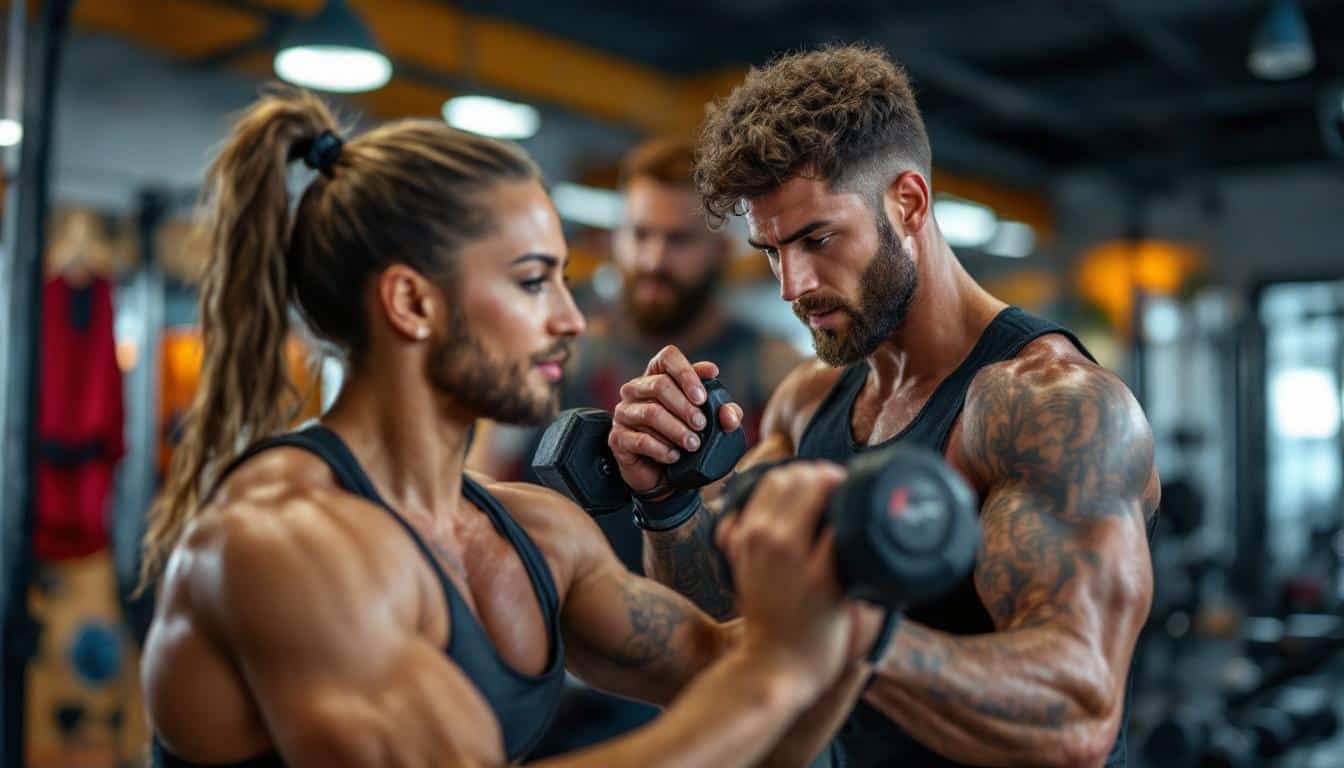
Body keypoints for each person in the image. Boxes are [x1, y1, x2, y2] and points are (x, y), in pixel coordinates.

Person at [136, 87, 875, 768]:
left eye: (561, 277)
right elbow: (762, 690)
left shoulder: (535, 534)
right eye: (531, 281)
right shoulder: (280, 545)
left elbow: (737, 688)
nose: (571, 318)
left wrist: (864, 595)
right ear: (412, 303)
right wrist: (776, 677)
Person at [607, 45, 1159, 768]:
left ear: (908, 203)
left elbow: (1078, 714)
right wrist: (668, 502)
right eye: (771, 251)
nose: (792, 285)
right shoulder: (811, 399)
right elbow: (720, 636)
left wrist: (851, 632)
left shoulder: (1048, 405)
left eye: (816, 238)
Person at [468, 136, 800, 583]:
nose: (653, 260)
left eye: (679, 240)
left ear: (722, 251)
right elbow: (478, 479)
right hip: (547, 617)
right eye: (641, 235)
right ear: (617, 236)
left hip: (692, 623)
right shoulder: (552, 350)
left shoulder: (774, 373)